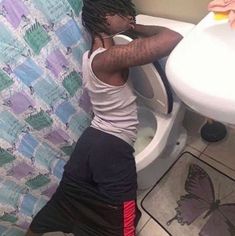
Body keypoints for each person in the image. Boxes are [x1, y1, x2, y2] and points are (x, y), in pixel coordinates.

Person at [25, 0, 182, 235]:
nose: (130, 17)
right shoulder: (110, 57)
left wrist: (125, 25)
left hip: (91, 140)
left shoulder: (90, 57)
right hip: (112, 145)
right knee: (123, 218)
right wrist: (134, 28)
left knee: (65, 201)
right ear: (107, 17)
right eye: (124, 13)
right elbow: (173, 38)